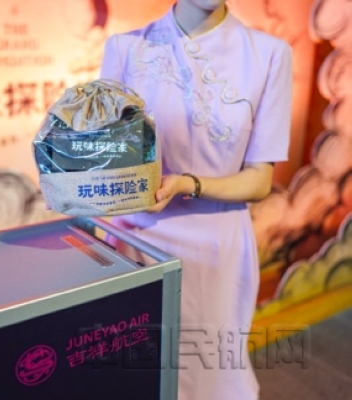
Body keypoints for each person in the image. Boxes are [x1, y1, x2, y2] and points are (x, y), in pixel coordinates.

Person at [99, 0, 293, 399]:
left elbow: (260, 180)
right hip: (138, 240)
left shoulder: (269, 53)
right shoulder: (125, 48)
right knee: (137, 374)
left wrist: (186, 184)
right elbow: (108, 154)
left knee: (209, 375)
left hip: (216, 246)